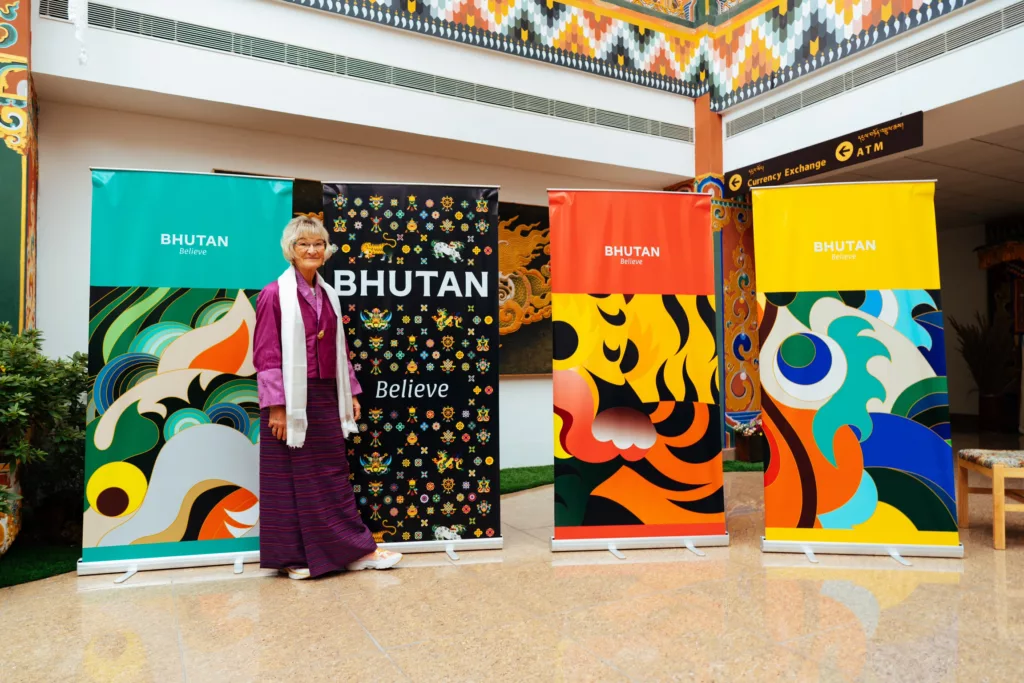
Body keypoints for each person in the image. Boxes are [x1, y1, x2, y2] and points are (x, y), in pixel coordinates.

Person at [254, 215, 402, 579]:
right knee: (286, 478)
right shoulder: (274, 294)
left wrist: (349, 392)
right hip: (288, 400)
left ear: (326, 249)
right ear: (291, 249)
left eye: (318, 243)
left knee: (332, 475)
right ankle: (293, 558)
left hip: (324, 396)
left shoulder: (328, 294)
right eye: (304, 243)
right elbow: (266, 354)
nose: (312, 249)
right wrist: (276, 408)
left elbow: (340, 350)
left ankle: (354, 550)